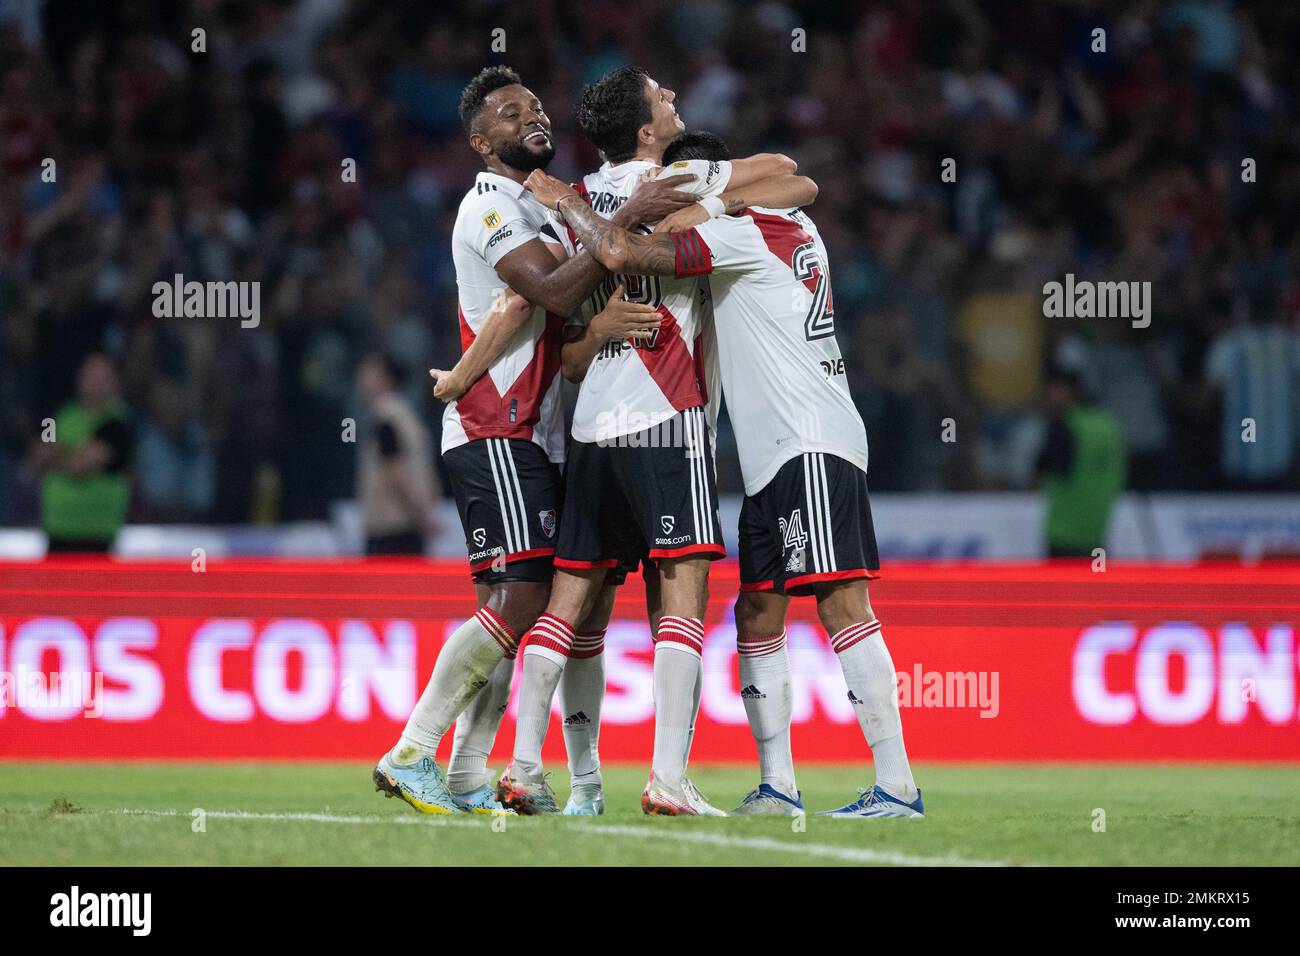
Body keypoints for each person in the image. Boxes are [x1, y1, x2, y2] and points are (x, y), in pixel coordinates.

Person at [526, 129, 925, 818]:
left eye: (675, 190)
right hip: (771, 455)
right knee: (756, 612)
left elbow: (621, 251)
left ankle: (897, 785)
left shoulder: (740, 232)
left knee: (841, 604)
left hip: (809, 440)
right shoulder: (781, 219)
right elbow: (796, 177)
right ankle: (778, 786)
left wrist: (572, 202)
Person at [373, 65, 695, 817]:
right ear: (484, 143)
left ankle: (463, 773)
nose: (533, 118)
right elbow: (549, 293)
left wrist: (597, 306)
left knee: (516, 607)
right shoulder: (489, 206)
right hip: (496, 427)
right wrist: (627, 224)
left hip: (540, 430)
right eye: (512, 114)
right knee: (522, 596)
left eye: (536, 107)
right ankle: (410, 750)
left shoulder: (545, 211)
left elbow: (558, 316)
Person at [500, 67, 818, 817]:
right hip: (666, 416)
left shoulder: (575, 197)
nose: (677, 101)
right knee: (683, 594)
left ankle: (523, 768)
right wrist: (714, 197)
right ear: (646, 132)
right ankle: (667, 777)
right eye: (665, 99)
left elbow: (568, 349)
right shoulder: (676, 178)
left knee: (569, 601)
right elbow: (789, 173)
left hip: (589, 424)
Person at [30, 353, 134, 555]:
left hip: (97, 535)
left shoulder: (119, 422)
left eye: (103, 378)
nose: (96, 383)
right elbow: (38, 456)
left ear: (115, 382)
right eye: (91, 376)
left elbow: (79, 466)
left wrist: (58, 453)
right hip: (57, 531)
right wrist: (69, 454)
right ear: (80, 378)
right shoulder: (60, 415)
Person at [1036, 365, 1127, 558]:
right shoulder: (1107, 424)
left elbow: (1044, 465)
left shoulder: (1065, 425)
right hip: (1097, 534)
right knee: (1098, 587)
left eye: (1054, 389)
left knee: (1060, 588)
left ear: (1070, 391)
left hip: (1065, 535)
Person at [355, 353, 439, 555]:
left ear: (387, 378)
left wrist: (422, 517)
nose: (362, 378)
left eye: (369, 372)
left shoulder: (387, 416)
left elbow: (395, 468)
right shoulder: (406, 414)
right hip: (404, 524)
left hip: (392, 528)